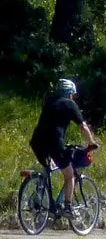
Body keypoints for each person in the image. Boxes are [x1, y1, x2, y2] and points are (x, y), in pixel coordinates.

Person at [32, 79, 98, 212]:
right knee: (69, 175)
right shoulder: (70, 104)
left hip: (37, 142)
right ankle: (68, 207)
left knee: (47, 169)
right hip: (55, 143)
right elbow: (83, 127)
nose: (73, 97)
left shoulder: (49, 102)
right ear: (69, 93)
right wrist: (91, 142)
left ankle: (38, 198)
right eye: (72, 94)